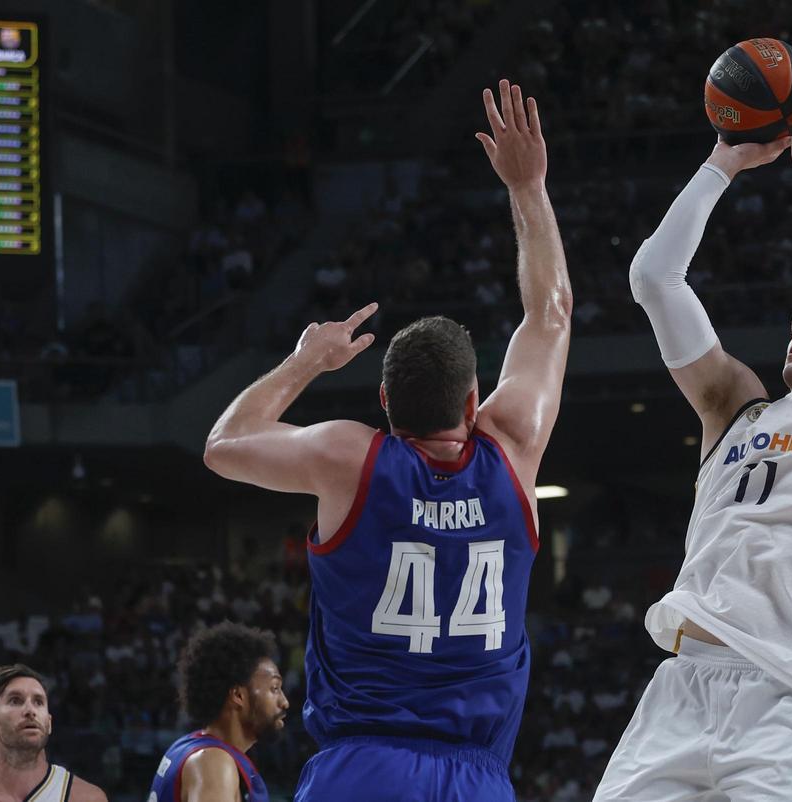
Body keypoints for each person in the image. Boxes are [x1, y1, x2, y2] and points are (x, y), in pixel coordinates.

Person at [203, 79, 570, 802]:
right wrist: (527, 187)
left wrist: (306, 361)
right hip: (477, 777)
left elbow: (225, 443)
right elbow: (551, 313)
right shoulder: (514, 445)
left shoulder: (349, 457)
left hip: (361, 768)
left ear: (383, 402)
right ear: (475, 402)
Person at [595, 73, 792, 801]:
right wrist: (725, 160)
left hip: (786, 698)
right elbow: (654, 277)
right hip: (682, 687)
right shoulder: (735, 407)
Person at [149, 622, 288, 802]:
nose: (285, 702)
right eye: (274, 688)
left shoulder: (189, 746)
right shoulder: (213, 764)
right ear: (238, 695)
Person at [0, 663, 107, 802]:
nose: (30, 711)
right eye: (15, 700)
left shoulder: (86, 798)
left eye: (38, 702)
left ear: (49, 724)